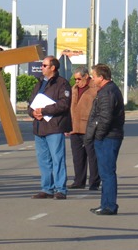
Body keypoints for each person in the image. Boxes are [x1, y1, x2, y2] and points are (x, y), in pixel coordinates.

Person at [27, 56, 72, 200]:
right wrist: (33, 112)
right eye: (42, 65)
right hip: (39, 126)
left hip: (54, 126)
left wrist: (44, 110)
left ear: (53, 68)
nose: (42, 67)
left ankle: (61, 189)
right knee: (43, 159)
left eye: (45, 65)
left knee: (57, 158)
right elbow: (31, 103)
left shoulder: (62, 83)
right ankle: (47, 188)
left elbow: (64, 104)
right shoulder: (39, 83)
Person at [84, 64, 125, 215]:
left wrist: (98, 135)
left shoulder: (108, 92)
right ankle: (105, 204)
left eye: (94, 76)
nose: (92, 79)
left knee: (107, 173)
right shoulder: (107, 90)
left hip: (109, 137)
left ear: (101, 77)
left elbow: (105, 118)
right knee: (104, 173)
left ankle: (110, 206)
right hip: (108, 136)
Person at [68, 67, 100, 191]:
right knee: (77, 157)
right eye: (75, 79)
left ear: (86, 76)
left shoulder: (95, 88)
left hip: (89, 127)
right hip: (75, 128)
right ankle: (79, 181)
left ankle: (94, 182)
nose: (76, 81)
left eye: (79, 78)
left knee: (92, 156)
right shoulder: (74, 89)